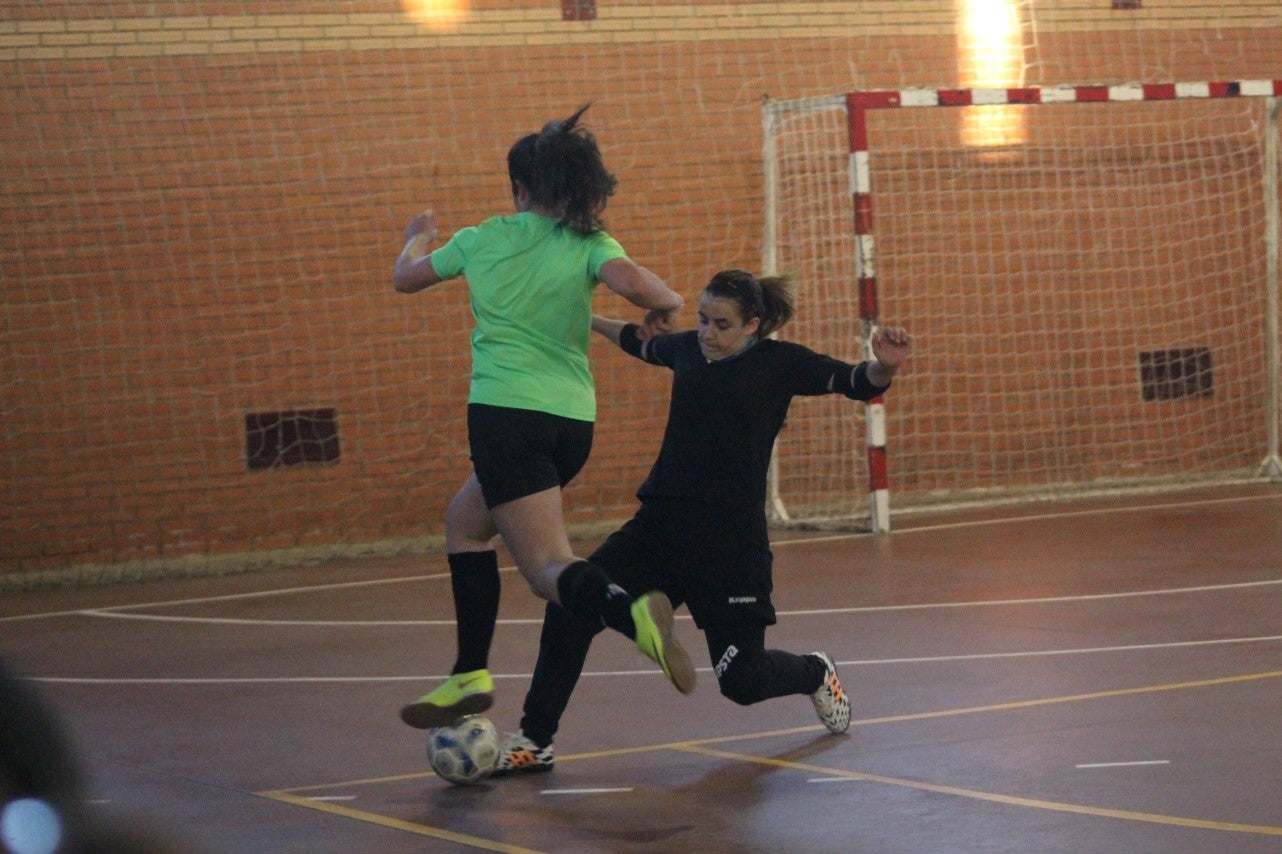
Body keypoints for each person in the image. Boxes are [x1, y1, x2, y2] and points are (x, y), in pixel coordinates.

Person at [488, 268, 911, 775]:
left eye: (723, 324)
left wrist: (883, 368)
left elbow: (855, 381)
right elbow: (640, 343)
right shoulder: (689, 350)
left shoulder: (782, 364)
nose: (709, 333)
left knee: (742, 682)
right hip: (659, 530)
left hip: (730, 547)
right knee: (571, 606)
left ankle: (815, 671)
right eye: (703, 319)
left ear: (753, 324)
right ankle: (535, 741)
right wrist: (583, 318)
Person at [392, 105, 694, 730]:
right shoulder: (591, 244)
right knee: (465, 524)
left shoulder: (481, 239)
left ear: (519, 188)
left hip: (507, 416)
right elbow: (639, 286)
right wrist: (668, 304)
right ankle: (468, 672)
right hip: (571, 425)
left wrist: (416, 234)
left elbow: (406, 279)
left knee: (547, 569)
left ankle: (631, 611)